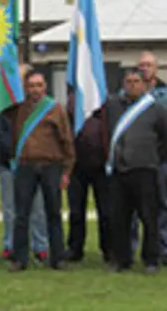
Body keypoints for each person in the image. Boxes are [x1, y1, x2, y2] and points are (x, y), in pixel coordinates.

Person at [105, 68, 167, 274]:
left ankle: (151, 259)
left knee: (149, 217)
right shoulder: (114, 107)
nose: (133, 85)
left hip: (145, 169)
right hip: (120, 170)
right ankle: (121, 259)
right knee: (120, 218)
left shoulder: (156, 109)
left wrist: (156, 156)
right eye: (129, 81)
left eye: (137, 81)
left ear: (145, 85)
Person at [8, 70, 75, 272]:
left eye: (39, 85)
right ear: (26, 88)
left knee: (53, 212)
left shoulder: (55, 109)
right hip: (26, 166)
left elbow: (67, 140)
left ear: (45, 87)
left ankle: (58, 257)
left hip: (50, 166)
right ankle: (20, 258)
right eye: (31, 86)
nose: (35, 89)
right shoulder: (19, 109)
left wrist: (67, 170)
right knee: (21, 214)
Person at [0, 113, 49, 263]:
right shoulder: (3, 113)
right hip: (7, 164)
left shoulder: (36, 110)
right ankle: (10, 246)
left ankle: (41, 247)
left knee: (37, 207)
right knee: (10, 208)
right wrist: (14, 152)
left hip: (32, 164)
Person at [136, 51, 167, 266]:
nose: (144, 68)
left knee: (163, 205)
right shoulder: (128, 94)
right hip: (135, 162)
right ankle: (132, 248)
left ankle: (165, 248)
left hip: (160, 161)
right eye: (141, 65)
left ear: (157, 68)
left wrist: (162, 152)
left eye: (148, 64)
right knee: (134, 208)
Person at [65, 92, 110, 264]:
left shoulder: (105, 108)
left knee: (105, 211)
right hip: (77, 167)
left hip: (101, 166)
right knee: (76, 212)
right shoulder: (71, 105)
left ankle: (108, 248)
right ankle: (75, 248)